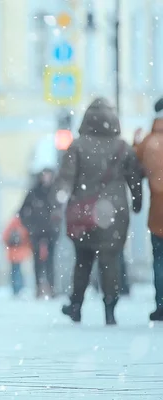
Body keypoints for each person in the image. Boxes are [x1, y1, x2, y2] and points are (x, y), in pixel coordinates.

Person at [56, 98, 142, 325]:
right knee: (110, 260)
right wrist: (137, 202)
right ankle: (110, 309)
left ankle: (76, 306)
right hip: (113, 213)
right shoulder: (123, 147)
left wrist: (60, 199)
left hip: (83, 213)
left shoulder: (77, 146)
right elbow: (135, 178)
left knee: (82, 261)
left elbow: (65, 178)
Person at [133, 96, 163, 321]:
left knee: (159, 261)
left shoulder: (150, 141)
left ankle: (161, 306)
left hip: (158, 214)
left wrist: (135, 142)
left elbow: (134, 163)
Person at [20, 168, 60, 298]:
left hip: (50, 232)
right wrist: (30, 226)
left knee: (50, 261)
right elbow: (22, 212)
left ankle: (51, 287)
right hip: (36, 232)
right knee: (37, 261)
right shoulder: (34, 192)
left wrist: (56, 224)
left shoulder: (54, 192)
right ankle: (39, 288)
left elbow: (61, 210)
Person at [2, 213, 32, 296]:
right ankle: (20, 288)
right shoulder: (23, 225)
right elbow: (28, 239)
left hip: (12, 253)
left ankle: (15, 289)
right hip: (21, 252)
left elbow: (4, 237)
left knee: (14, 271)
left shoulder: (11, 224)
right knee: (19, 271)